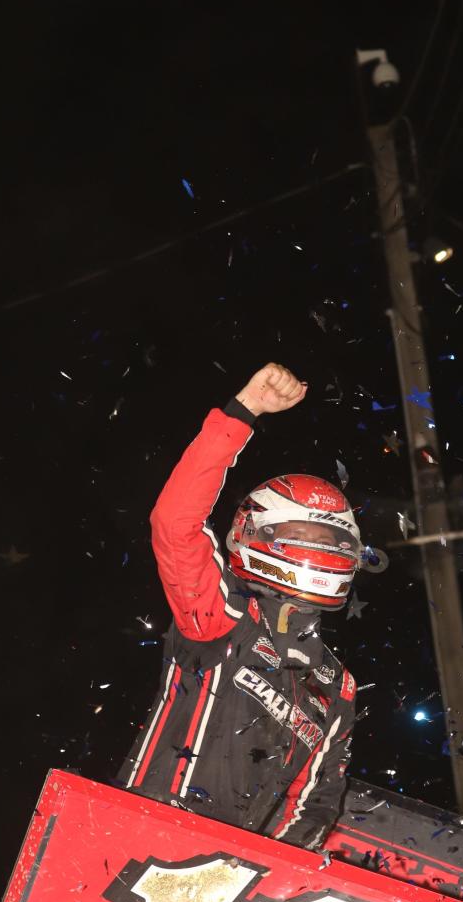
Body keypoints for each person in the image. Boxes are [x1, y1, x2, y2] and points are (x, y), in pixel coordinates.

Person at [121, 362, 368, 849]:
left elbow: (316, 804)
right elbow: (174, 524)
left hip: (235, 891)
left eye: (330, 540)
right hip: (141, 842)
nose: (317, 550)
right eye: (300, 535)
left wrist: (270, 875)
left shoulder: (337, 686)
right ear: (255, 534)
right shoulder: (223, 615)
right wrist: (245, 411)